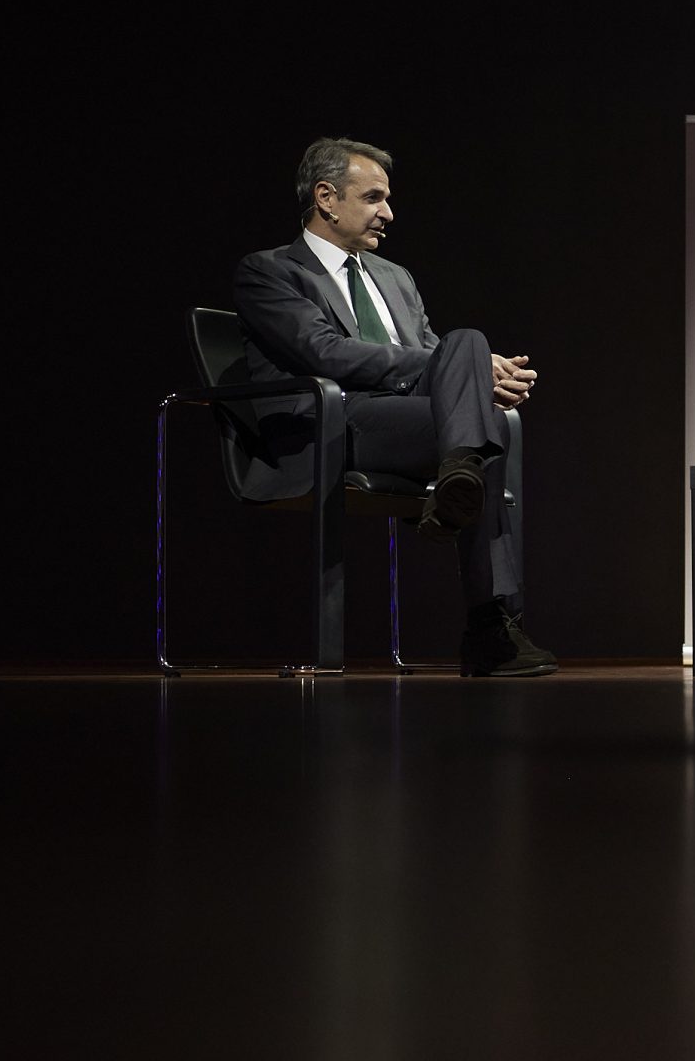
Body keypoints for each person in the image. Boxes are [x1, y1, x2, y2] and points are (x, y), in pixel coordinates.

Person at [232, 138, 556, 677]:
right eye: (373, 198)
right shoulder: (271, 271)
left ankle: (459, 475)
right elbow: (324, 352)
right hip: (332, 424)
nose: (388, 213)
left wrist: (472, 372)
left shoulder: (394, 277)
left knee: (470, 348)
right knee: (483, 417)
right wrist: (466, 373)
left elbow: (438, 357)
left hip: (402, 421)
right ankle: (489, 627)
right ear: (326, 198)